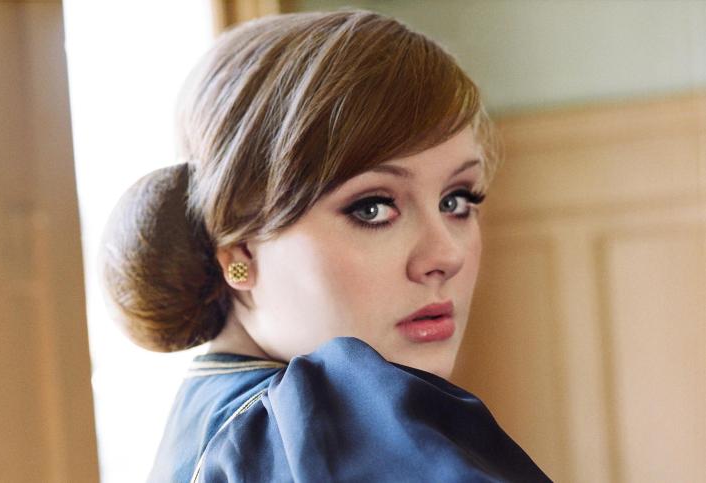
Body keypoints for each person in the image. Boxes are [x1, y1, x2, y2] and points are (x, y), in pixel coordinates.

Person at [98, 9, 551, 482]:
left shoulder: (207, 414)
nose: (446, 256)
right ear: (240, 252)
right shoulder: (312, 425)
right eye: (372, 208)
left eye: (456, 200)